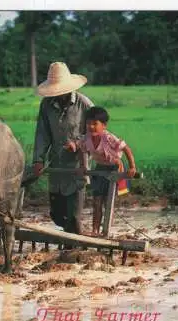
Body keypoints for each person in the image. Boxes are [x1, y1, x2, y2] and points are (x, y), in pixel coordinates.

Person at [32, 62, 94, 236]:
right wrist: (38, 159)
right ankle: (73, 238)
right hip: (56, 167)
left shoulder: (84, 105)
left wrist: (78, 144)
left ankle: (72, 249)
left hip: (77, 167)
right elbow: (42, 134)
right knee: (57, 215)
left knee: (73, 216)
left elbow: (96, 133)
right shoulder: (46, 105)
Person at [64, 106, 137, 236]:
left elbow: (126, 149)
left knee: (108, 201)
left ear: (103, 125)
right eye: (88, 124)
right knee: (97, 201)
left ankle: (106, 230)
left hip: (114, 168)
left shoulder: (108, 138)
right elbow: (80, 148)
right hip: (100, 169)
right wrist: (82, 165)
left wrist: (132, 167)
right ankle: (95, 230)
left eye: (94, 124)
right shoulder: (86, 138)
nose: (91, 127)